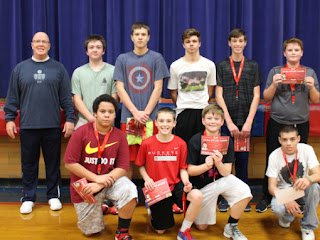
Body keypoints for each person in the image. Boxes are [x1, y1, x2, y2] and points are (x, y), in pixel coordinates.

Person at [4, 32, 75, 214]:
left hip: (51, 125)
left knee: (52, 163)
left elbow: (66, 98)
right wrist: (10, 119)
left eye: (44, 41)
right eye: (37, 41)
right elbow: (12, 97)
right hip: (28, 125)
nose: (41, 44)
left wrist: (69, 119)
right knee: (28, 164)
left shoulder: (59, 69)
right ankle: (28, 197)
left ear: (49, 46)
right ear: (32, 44)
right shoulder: (20, 69)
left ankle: (53, 196)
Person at [257, 38, 320, 213]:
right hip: (278, 121)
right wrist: (275, 83)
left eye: (296, 50)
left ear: (301, 53)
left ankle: (297, 196)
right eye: (290, 50)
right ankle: (267, 196)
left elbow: (315, 99)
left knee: (299, 162)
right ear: (284, 53)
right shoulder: (276, 71)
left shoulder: (309, 72)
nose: (293, 53)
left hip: (300, 123)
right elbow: (267, 97)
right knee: (272, 158)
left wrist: (312, 87)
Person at [63, 94, 137, 239]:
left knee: (130, 190)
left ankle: (122, 233)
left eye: (111, 112)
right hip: (85, 184)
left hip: (109, 181)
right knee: (90, 232)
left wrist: (101, 183)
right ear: (95, 113)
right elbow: (70, 163)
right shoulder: (80, 133)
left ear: (115, 114)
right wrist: (96, 179)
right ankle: (100, 207)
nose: (107, 115)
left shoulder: (120, 136)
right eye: (103, 111)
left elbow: (122, 167)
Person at [135, 107, 202, 239]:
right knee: (160, 231)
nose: (165, 124)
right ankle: (152, 208)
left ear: (174, 123)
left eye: (168, 121)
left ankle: (184, 230)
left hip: (175, 184)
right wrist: (147, 179)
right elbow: (140, 166)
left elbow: (183, 169)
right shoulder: (147, 143)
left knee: (196, 196)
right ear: (156, 123)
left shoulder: (181, 143)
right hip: (157, 187)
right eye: (161, 121)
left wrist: (186, 182)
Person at [187, 104, 252, 240]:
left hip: (220, 181)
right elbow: (190, 171)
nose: (213, 121)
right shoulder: (195, 140)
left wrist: (218, 163)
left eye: (216, 119)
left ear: (222, 122)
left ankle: (231, 227)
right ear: (203, 121)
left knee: (245, 191)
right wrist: (206, 166)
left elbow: (227, 172)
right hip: (201, 188)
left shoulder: (226, 141)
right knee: (202, 227)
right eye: (209, 118)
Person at [114, 22, 170, 179]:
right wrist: (135, 112)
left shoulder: (156, 58)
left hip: (151, 118)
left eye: (143, 34)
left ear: (148, 37)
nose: (140, 37)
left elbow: (158, 88)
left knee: (152, 157)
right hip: (128, 117)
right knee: (128, 160)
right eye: (137, 34)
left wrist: (145, 113)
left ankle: (154, 198)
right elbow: (120, 89)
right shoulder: (122, 59)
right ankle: (127, 198)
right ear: (131, 37)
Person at [215, 29, 262, 212]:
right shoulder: (222, 65)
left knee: (243, 159)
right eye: (234, 41)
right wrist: (228, 122)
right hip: (227, 122)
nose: (237, 44)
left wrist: (249, 121)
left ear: (245, 43)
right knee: (225, 160)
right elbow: (218, 95)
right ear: (229, 43)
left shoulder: (252, 66)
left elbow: (257, 95)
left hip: (245, 121)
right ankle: (225, 198)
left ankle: (242, 197)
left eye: (240, 41)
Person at [266, 125, 320, 240]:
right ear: (279, 140)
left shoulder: (307, 149)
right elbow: (271, 187)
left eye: (292, 139)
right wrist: (286, 199)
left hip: (301, 188)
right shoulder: (274, 156)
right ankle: (286, 217)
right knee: (277, 208)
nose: (289, 143)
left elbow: (318, 174)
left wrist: (308, 179)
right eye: (285, 140)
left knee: (315, 187)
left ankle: (307, 227)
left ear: (298, 139)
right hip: (284, 191)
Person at [168, 28, 216, 143]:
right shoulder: (176, 66)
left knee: (202, 148)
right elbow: (173, 91)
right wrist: (182, 104)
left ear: (199, 43)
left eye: (194, 41)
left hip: (203, 110)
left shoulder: (209, 65)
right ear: (183, 44)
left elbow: (210, 88)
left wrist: (203, 102)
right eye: (188, 42)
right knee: (184, 147)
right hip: (183, 111)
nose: (191, 44)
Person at [72, 34, 118, 130]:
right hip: (84, 121)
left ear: (103, 51)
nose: (95, 50)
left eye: (98, 47)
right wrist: (90, 118)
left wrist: (103, 117)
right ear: (87, 52)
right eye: (91, 47)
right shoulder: (78, 72)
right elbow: (77, 99)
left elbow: (115, 98)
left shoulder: (113, 71)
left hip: (106, 122)